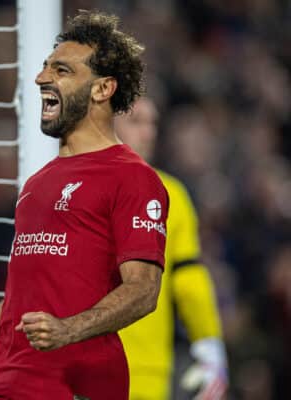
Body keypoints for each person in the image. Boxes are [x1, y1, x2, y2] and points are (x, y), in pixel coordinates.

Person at [0, 11, 169, 399]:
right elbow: (19, 303)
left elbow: (144, 290)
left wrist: (68, 330)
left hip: (75, 381)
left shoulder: (133, 178)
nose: (42, 78)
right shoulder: (37, 184)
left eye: (61, 70)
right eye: (44, 68)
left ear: (102, 89)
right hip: (2, 377)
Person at [115, 97, 228, 400]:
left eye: (153, 123)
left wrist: (209, 344)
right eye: (136, 121)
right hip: (84, 370)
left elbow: (189, 281)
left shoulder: (173, 196)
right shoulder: (74, 189)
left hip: (149, 375)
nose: (148, 132)